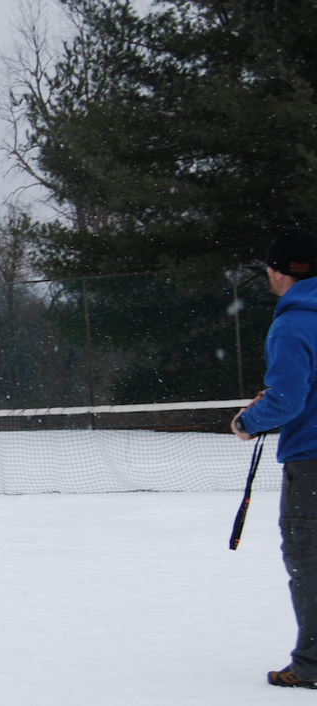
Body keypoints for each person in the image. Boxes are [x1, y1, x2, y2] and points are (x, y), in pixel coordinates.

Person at [231, 226, 317, 689]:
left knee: (310, 559)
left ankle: (312, 665)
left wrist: (248, 422)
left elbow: (286, 399)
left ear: (277, 272)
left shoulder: (293, 322)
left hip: (313, 460)